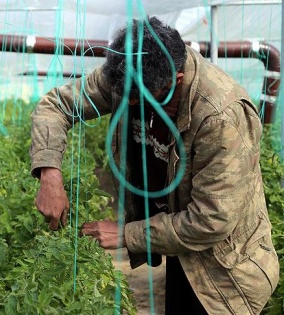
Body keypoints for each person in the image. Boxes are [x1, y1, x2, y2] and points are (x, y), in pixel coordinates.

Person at [30, 17, 279, 314]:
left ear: (176, 80)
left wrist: (126, 234)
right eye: (126, 98)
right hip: (179, 242)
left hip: (224, 271)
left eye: (142, 99)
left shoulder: (220, 116)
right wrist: (50, 175)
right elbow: (56, 106)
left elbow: (211, 220)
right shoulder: (128, 73)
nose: (131, 105)